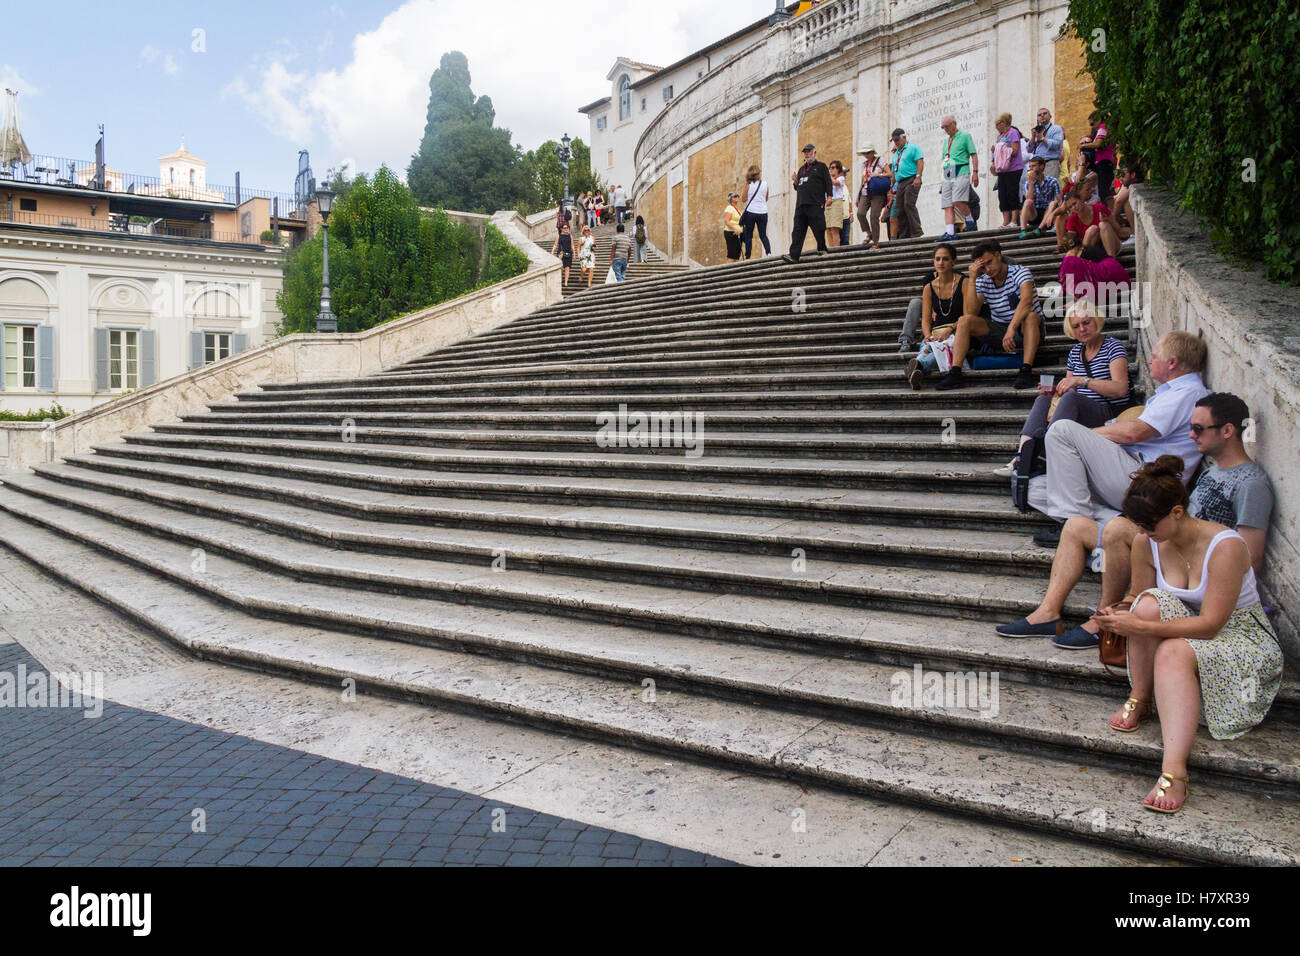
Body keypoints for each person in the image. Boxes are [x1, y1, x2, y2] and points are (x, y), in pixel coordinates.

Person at [999, 393, 1274, 651]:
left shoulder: (1251, 483)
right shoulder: (1213, 471)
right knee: (1075, 525)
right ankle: (1048, 614)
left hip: (1194, 564)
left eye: (1199, 429)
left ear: (1227, 430)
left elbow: (1249, 558)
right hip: (1172, 545)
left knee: (1118, 529)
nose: (1191, 435)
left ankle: (1102, 620)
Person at [1093, 455, 1282, 814]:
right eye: (1140, 526)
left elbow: (1211, 623)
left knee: (1172, 651)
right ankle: (1142, 697)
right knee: (1146, 605)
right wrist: (1118, 612)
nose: (1145, 533)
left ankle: (1174, 770)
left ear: (1178, 512)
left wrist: (1143, 627)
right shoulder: (1146, 541)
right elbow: (1140, 596)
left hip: (1239, 634)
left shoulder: (1226, 546)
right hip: (1182, 627)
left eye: (1151, 525)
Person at [1030, 330, 1210, 525]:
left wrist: (1086, 437)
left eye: (1155, 356)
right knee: (1035, 489)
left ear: (1172, 363)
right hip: (1130, 472)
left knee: (1061, 430)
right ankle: (1115, 521)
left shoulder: (1187, 393)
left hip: (1147, 477)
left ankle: (1076, 525)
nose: (1149, 361)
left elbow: (1134, 433)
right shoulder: (1174, 392)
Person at [996, 299, 1129, 473]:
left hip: (1108, 411)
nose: (1082, 329)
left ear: (1096, 320)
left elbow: (1120, 389)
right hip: (1079, 408)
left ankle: (1045, 450)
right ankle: (1021, 456)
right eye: (1076, 326)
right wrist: (1055, 391)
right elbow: (1069, 389)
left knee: (1072, 397)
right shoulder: (1075, 352)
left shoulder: (1113, 347)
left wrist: (1083, 381)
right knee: (1043, 399)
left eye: (1086, 323)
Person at [935, 239, 1042, 391]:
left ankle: (1026, 370)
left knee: (1031, 316)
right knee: (965, 320)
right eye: (982, 267)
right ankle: (955, 372)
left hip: (1025, 328)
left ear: (998, 255)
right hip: (1000, 330)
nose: (987, 269)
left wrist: (1011, 329)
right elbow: (971, 312)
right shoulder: (983, 280)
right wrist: (972, 278)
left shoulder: (1020, 272)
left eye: (989, 262)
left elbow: (1026, 301)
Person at [783, 143, 832, 262]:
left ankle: (822, 247)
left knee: (819, 227)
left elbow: (828, 182)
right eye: (805, 152)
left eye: (809, 151)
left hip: (815, 203)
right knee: (797, 231)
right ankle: (794, 255)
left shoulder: (821, 167)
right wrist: (795, 182)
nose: (807, 154)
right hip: (801, 205)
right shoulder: (801, 169)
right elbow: (798, 187)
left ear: (814, 152)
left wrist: (830, 196)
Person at [1058, 232, 1131, 309]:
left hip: (1107, 273)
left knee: (1068, 262)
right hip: (1120, 275)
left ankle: (1079, 300)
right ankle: (1079, 299)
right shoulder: (1087, 250)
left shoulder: (1072, 258)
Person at [938, 115, 978, 238]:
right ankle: (950, 232)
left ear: (954, 124)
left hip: (961, 169)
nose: (945, 129)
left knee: (957, 200)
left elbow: (974, 154)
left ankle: (970, 220)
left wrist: (975, 172)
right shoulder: (946, 141)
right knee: (947, 204)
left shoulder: (965, 136)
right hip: (948, 172)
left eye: (947, 126)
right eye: (943, 127)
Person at [1059, 188, 1120, 257]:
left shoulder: (1100, 208)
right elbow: (1072, 242)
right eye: (1070, 207)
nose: (1074, 208)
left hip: (1112, 245)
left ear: (1081, 200)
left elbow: (1118, 229)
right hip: (1091, 250)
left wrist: (1107, 220)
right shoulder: (1072, 219)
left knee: (1103, 225)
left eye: (1074, 203)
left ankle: (1112, 260)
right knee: (1092, 229)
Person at [887, 128, 924, 239]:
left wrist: (918, 177)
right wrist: (891, 186)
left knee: (908, 203)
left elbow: (920, 161)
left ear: (904, 137)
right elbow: (894, 172)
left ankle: (916, 231)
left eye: (897, 139)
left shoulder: (913, 148)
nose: (896, 142)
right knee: (900, 208)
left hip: (911, 179)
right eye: (894, 141)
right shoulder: (896, 154)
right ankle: (904, 234)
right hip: (900, 182)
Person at [990, 113, 1026, 227]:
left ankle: (1014, 220)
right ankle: (1005, 221)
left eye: (997, 124)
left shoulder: (1013, 133)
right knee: (1003, 195)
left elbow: (1015, 150)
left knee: (1012, 193)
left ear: (1004, 123)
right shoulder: (1000, 137)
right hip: (1002, 169)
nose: (996, 127)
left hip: (1013, 168)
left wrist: (1001, 149)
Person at [1078, 111, 1117, 205]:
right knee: (1103, 189)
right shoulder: (1106, 128)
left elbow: (1097, 144)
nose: (1092, 127)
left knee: (1104, 191)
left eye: (1092, 123)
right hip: (1104, 161)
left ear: (1099, 120)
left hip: (1104, 161)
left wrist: (1083, 146)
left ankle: (1112, 211)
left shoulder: (1102, 128)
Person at [1017, 157, 1061, 238]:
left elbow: (1060, 200)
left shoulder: (1053, 181)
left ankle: (1039, 229)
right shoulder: (1028, 183)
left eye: (1033, 166)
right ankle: (1023, 231)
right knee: (1027, 202)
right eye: (1030, 167)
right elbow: (1029, 199)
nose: (1031, 169)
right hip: (1034, 214)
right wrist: (1031, 183)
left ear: (1042, 166)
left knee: (1053, 203)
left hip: (1047, 213)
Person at [855, 146, 890, 248]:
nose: (866, 155)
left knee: (874, 216)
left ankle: (875, 242)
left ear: (872, 152)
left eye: (867, 153)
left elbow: (890, 174)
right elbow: (863, 181)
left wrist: (877, 175)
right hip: (866, 191)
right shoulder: (864, 165)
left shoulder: (880, 160)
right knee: (860, 213)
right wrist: (858, 196)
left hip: (878, 192)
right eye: (864, 153)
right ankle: (869, 233)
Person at [740, 166, 771, 258]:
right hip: (763, 212)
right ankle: (769, 253)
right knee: (763, 235)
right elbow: (766, 198)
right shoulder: (765, 184)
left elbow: (743, 199)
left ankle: (748, 257)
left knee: (749, 235)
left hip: (751, 212)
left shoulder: (748, 184)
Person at [1029, 107, 1065, 181]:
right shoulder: (1038, 130)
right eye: (1039, 115)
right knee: (1037, 189)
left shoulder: (1056, 129)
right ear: (1037, 119)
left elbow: (1057, 144)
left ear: (1050, 116)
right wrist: (1033, 137)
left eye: (1045, 113)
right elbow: (1029, 150)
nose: (1042, 116)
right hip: (1037, 165)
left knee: (1050, 187)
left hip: (1050, 163)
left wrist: (1042, 138)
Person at [826, 160, 849, 247]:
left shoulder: (841, 178)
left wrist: (827, 176)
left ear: (838, 169)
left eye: (833, 168)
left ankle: (835, 251)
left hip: (836, 202)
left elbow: (835, 183)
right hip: (827, 202)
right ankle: (831, 249)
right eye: (830, 168)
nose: (831, 169)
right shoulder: (828, 179)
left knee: (834, 228)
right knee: (828, 229)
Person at [550, 221, 576, 285]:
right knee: (561, 268)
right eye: (564, 228)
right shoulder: (558, 236)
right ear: (561, 229)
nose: (566, 229)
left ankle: (566, 282)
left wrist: (574, 253)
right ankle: (560, 280)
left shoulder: (570, 236)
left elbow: (572, 245)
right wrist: (552, 252)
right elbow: (555, 245)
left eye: (567, 228)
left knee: (567, 268)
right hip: (561, 254)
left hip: (569, 253)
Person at [723, 191, 743, 262]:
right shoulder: (729, 208)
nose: (737, 197)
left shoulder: (737, 209)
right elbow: (726, 221)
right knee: (732, 254)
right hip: (731, 233)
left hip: (738, 233)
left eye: (737, 196)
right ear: (730, 199)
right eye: (735, 196)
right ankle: (728, 272)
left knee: (736, 255)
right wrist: (735, 229)